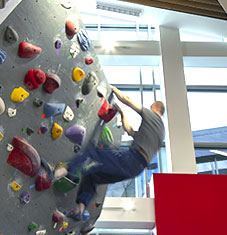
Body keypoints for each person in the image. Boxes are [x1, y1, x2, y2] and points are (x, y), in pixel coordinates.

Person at [54, 87, 165, 220]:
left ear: (154, 107)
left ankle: (63, 170)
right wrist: (123, 114)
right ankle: (80, 209)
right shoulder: (159, 133)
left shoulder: (151, 115)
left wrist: (112, 88)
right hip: (136, 169)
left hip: (133, 158)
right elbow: (130, 131)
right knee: (93, 175)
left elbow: (127, 99)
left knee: (93, 152)